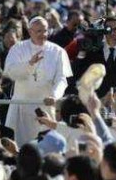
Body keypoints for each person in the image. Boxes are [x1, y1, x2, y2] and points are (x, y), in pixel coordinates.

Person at [4, 16, 72, 146]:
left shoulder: (58, 51)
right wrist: (29, 64)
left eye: (45, 31)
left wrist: (55, 95)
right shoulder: (18, 48)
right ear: (30, 32)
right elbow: (10, 72)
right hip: (21, 108)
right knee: (18, 147)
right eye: (38, 31)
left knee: (46, 147)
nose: (43, 34)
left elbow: (62, 79)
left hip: (45, 107)